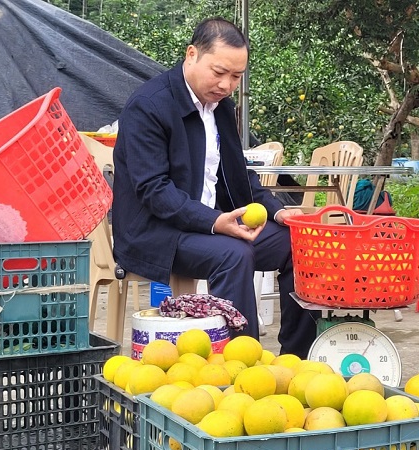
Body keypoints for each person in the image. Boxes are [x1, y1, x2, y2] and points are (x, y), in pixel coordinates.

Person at [111, 17, 319, 357]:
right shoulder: (148, 107)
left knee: (300, 244)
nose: (225, 85)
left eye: (236, 77)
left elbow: (239, 177)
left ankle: (297, 362)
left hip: (211, 224)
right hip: (156, 233)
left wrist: (278, 210)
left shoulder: (221, 108)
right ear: (191, 54)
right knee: (234, 254)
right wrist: (214, 222)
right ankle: (244, 366)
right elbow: (154, 190)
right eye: (219, 72)